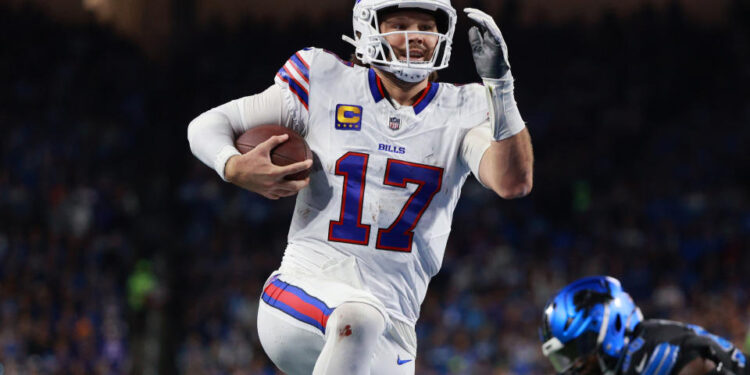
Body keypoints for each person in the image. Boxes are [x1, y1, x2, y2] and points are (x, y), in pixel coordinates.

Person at [187, 0, 533, 373]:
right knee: (359, 317)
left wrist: (500, 87)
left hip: (393, 328)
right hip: (302, 294)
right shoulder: (323, 79)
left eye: (425, 26)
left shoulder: (465, 107)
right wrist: (234, 166)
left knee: (366, 322)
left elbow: (512, 181)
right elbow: (207, 125)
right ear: (369, 26)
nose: (416, 36)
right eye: (400, 23)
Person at [540, 276, 748, 375]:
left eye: (577, 351)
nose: (575, 365)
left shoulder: (655, 356)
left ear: (612, 326)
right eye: (565, 357)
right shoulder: (640, 348)